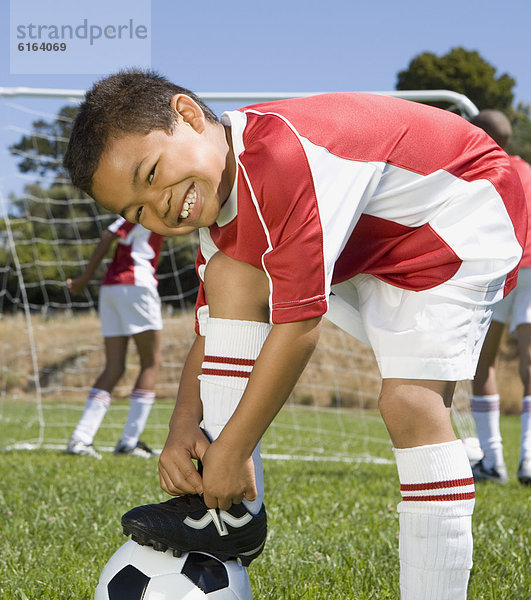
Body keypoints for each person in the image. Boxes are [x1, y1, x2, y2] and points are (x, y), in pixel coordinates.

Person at [63, 70, 525, 599]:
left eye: (151, 173)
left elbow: (299, 328)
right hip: (376, 239)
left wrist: (232, 450)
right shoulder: (224, 201)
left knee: (411, 403)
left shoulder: (283, 158)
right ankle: (231, 515)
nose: (158, 207)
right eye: (136, 211)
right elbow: (210, 326)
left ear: (189, 116)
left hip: (460, 208)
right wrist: (182, 426)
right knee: (231, 274)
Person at [65, 215, 164, 459]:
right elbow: (109, 236)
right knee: (151, 363)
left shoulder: (137, 206)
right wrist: (84, 279)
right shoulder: (142, 206)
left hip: (111, 288)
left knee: (114, 366)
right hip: (136, 284)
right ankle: (129, 442)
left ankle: (81, 438)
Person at [467, 110, 531, 485]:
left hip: (499, 270)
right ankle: (528, 460)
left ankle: (493, 462)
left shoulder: (482, 171)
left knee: (481, 364)